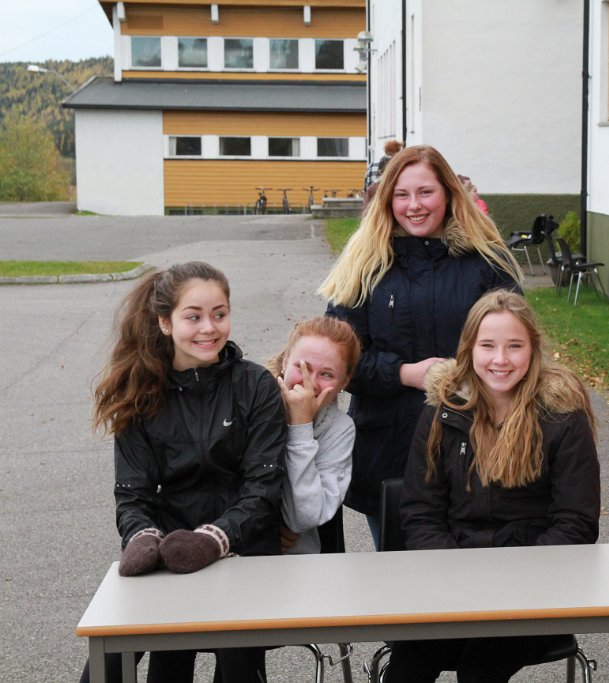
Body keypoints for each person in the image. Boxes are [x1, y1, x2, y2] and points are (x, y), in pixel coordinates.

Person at [85, 261, 286, 682]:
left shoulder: (256, 386)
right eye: (193, 316)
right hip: (167, 553)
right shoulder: (141, 392)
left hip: (243, 553)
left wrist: (214, 539)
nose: (208, 328)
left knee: (237, 665)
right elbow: (132, 494)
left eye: (219, 314)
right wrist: (142, 537)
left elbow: (262, 488)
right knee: (120, 659)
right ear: (165, 322)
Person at [387, 290, 600, 681]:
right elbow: (420, 511)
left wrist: (515, 578)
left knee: (479, 670)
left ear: (533, 349)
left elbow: (576, 521)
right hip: (451, 578)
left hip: (534, 585)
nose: (500, 359)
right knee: (406, 667)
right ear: (469, 349)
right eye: (488, 345)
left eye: (514, 346)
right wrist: (455, 573)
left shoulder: (562, 417)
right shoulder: (442, 411)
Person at [319, 144, 523, 549]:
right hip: (389, 451)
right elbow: (337, 360)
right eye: (402, 194)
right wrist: (404, 373)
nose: (414, 205)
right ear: (387, 199)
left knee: (474, 571)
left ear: (447, 192)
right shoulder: (364, 264)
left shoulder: (487, 261)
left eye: (425, 192)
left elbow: (517, 348)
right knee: (399, 575)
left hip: (478, 444)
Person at [267, 316, 360, 555]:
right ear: (285, 361)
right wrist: (268, 526)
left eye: (326, 374)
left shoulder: (339, 428)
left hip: (300, 561)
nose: (311, 383)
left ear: (344, 381)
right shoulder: (253, 403)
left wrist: (300, 425)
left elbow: (303, 517)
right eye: (303, 367)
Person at [363, 138, 404, 208]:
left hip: (373, 200)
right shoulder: (396, 164)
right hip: (387, 201)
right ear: (398, 150)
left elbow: (366, 184)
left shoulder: (372, 164)